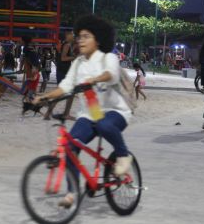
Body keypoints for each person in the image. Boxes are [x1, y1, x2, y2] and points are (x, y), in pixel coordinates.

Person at [33, 15, 133, 208]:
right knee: (69, 149)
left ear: (98, 39)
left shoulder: (108, 57)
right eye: (79, 36)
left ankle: (123, 155)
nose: (80, 40)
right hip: (90, 113)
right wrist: (43, 98)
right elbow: (65, 86)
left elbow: (111, 75)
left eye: (86, 36)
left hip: (116, 110)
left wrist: (94, 80)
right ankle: (72, 192)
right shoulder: (78, 62)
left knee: (104, 124)